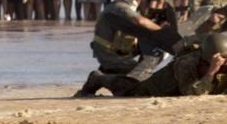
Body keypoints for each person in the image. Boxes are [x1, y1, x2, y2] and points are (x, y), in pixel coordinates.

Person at [75, 0, 170, 97]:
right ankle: (99, 79)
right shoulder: (121, 8)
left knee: (149, 49)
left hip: (111, 52)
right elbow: (140, 21)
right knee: (135, 83)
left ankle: (104, 76)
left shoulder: (116, 5)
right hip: (112, 55)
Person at [85, 33, 227, 97]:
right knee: (125, 89)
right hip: (151, 90)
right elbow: (189, 93)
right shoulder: (187, 63)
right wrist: (210, 73)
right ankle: (97, 78)